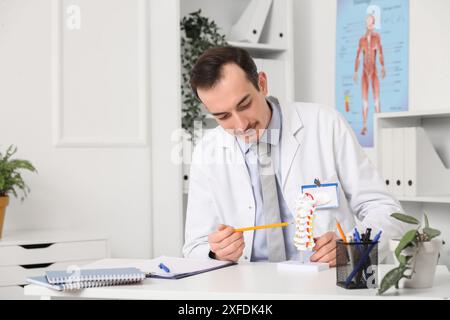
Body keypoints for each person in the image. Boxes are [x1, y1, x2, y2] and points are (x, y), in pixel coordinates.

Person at [183, 46, 405, 266]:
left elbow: (387, 211)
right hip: (249, 287)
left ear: (262, 83)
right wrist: (217, 253)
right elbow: (195, 246)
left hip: (323, 280)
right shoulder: (207, 151)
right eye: (223, 116)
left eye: (245, 104)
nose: (241, 125)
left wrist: (350, 247)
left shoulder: (325, 124)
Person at [354, 14, 386, 136]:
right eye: (369, 23)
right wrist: (356, 71)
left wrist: (383, 66)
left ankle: (380, 126)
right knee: (365, 100)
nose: (371, 25)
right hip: (364, 72)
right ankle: (364, 125)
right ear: (366, 24)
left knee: (377, 99)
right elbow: (357, 56)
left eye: (372, 23)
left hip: (373, 71)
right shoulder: (361, 40)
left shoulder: (377, 38)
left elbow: (380, 53)